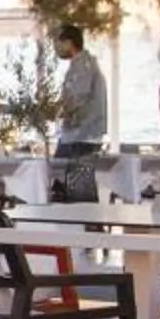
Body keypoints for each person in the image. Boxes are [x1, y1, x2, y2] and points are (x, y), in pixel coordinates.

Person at [51, 23, 106, 201]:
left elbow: (78, 98)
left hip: (81, 135)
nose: (56, 48)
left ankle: (84, 224)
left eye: (57, 43)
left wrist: (56, 110)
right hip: (76, 135)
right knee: (67, 184)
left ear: (68, 43)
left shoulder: (83, 65)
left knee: (70, 186)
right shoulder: (81, 64)